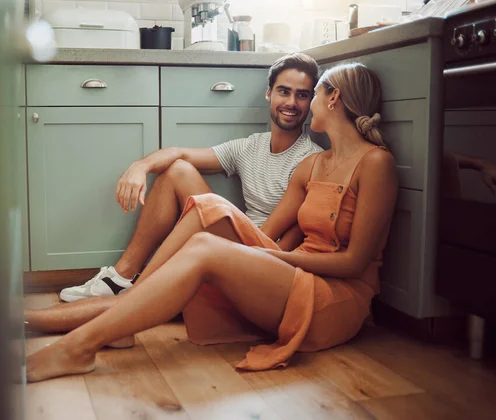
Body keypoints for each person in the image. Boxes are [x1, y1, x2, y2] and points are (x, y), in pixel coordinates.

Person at [25, 62, 399, 382]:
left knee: (205, 236)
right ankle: (46, 321)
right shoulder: (313, 166)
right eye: (288, 92)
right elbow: (263, 235)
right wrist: (248, 255)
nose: (304, 102)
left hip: (334, 300)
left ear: (332, 99)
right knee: (203, 205)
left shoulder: (375, 163)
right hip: (290, 275)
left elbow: (353, 263)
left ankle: (80, 343)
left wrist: (273, 260)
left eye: (311, 93)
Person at [58, 53, 323, 302]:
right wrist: (140, 167)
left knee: (201, 200)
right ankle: (123, 277)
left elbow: (293, 238)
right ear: (269, 93)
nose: (291, 103)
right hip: (239, 240)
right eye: (284, 91)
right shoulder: (251, 146)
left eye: (301, 95)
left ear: (312, 101)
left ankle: (135, 292)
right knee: (177, 169)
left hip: (265, 256)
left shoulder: (313, 160)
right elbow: (179, 153)